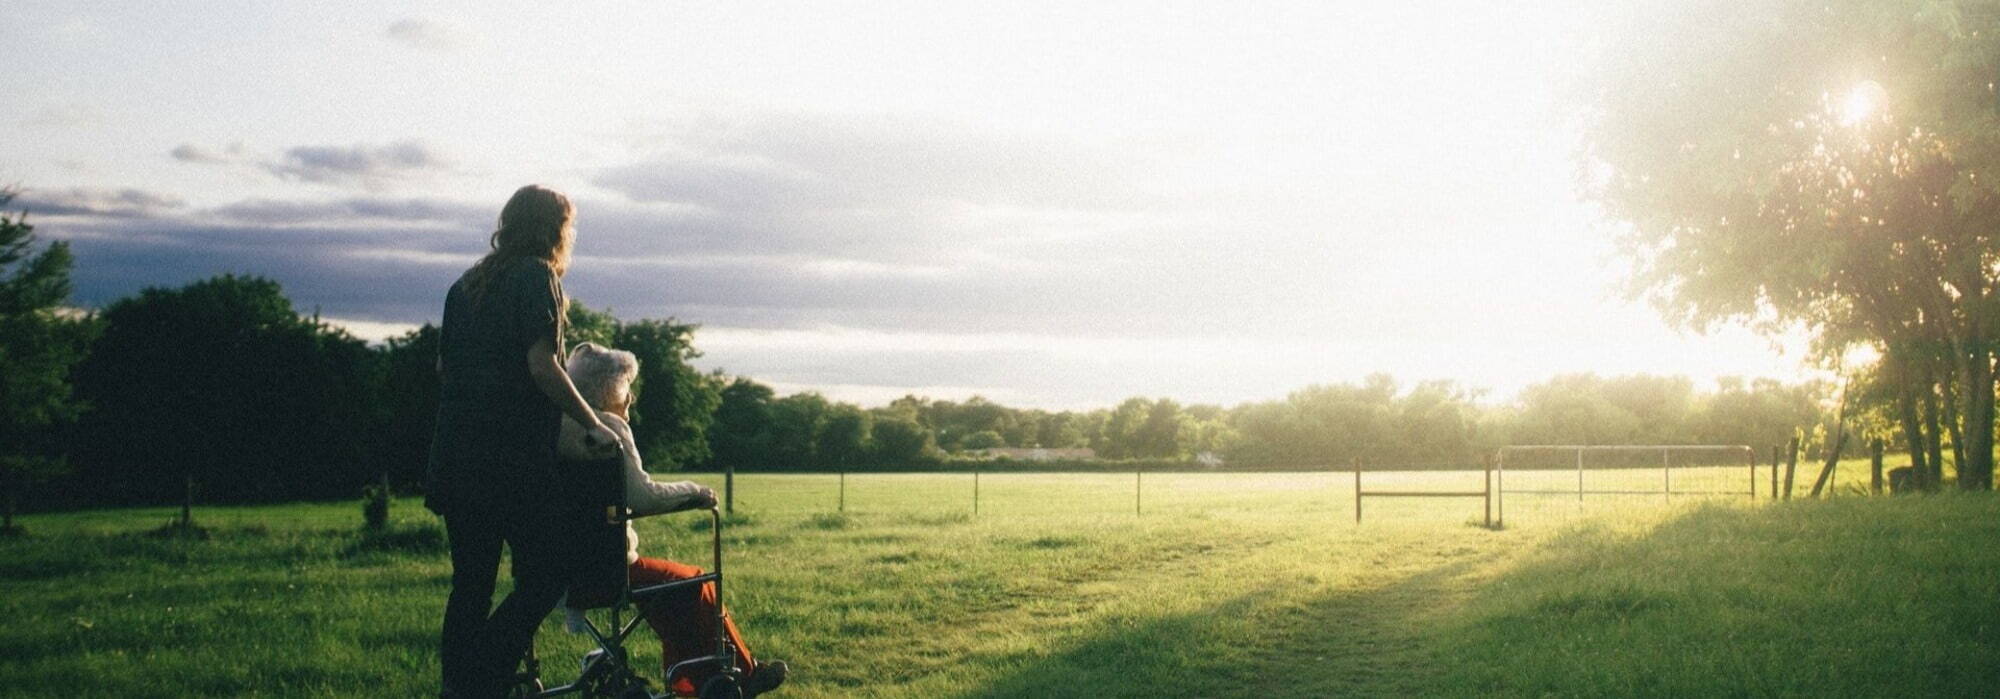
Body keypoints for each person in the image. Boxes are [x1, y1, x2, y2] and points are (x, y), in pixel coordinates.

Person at [426, 185, 621, 698]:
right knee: (547, 575)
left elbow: (445, 368)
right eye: (568, 226)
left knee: (470, 587)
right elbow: (543, 366)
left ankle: (458, 689)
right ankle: (480, 681)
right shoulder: (537, 277)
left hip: (455, 456)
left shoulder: (465, 285)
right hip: (510, 462)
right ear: (555, 229)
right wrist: (593, 424)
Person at [556, 342, 788, 697]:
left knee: (673, 588)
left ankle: (702, 677)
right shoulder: (609, 429)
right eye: (627, 388)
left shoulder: (558, 428)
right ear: (609, 390)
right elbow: (643, 497)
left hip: (560, 565)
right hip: (608, 566)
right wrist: (695, 491)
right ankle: (729, 676)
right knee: (693, 581)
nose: (631, 398)